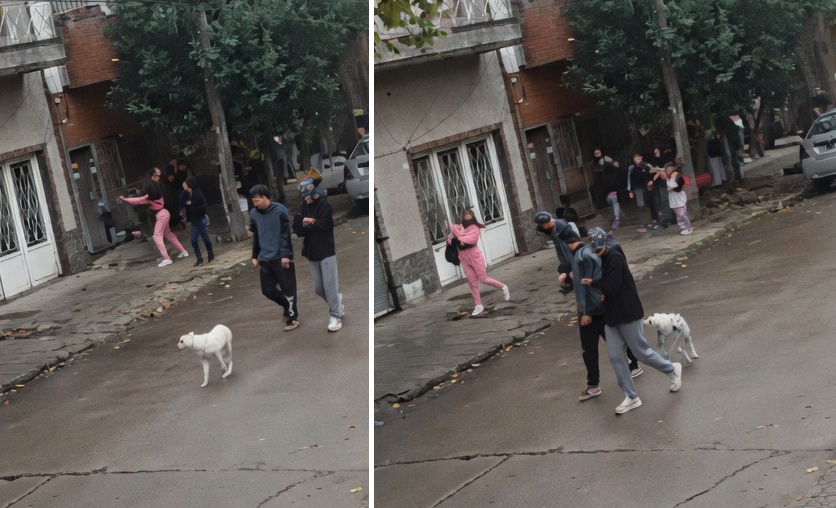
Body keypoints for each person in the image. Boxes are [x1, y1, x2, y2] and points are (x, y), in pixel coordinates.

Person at [581, 231, 683, 415]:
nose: (597, 252)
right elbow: (608, 287)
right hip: (611, 316)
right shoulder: (602, 258)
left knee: (640, 353)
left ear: (606, 243)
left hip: (628, 313)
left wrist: (594, 284)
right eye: (594, 249)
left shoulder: (615, 257)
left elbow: (611, 287)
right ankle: (631, 396)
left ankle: (672, 369)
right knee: (615, 356)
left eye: (599, 248)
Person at [559, 228, 641, 402]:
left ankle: (601, 384)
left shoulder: (584, 257)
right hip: (598, 308)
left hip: (594, 310)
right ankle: (604, 380)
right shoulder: (585, 254)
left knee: (599, 349)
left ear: (569, 244)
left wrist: (586, 312)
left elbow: (588, 286)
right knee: (613, 347)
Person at [292, 178, 344, 332]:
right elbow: (298, 229)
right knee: (318, 288)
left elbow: (328, 224)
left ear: (314, 193)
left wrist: (314, 222)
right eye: (304, 196)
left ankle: (335, 316)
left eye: (309, 195)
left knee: (329, 286)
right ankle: (337, 301)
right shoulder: (303, 207)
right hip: (311, 252)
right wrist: (302, 223)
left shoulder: (324, 204)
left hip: (326, 250)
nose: (307, 198)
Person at [249, 184, 299, 331]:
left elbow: (286, 235)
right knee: (267, 290)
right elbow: (256, 235)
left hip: (280, 256)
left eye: (257, 200)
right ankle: (286, 305)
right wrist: (255, 255)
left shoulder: (279, 211)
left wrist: (286, 255)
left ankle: (292, 318)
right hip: (264, 257)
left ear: (265, 197)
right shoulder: (254, 213)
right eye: (253, 201)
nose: (255, 203)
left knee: (288, 288)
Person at [120, 167, 189, 268]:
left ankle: (166, 258)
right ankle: (183, 251)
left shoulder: (150, 195)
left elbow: (138, 200)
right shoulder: (158, 193)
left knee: (157, 236)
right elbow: (139, 200)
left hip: (161, 215)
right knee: (169, 234)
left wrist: (124, 199)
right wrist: (127, 199)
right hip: (165, 213)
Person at [448, 208, 509, 316]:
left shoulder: (474, 228)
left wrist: (458, 235)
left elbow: (470, 239)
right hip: (463, 257)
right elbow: (453, 237)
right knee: (472, 283)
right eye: (465, 214)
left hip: (475, 256)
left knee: (483, 279)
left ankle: (503, 286)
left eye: (468, 214)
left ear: (472, 217)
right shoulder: (460, 228)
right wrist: (450, 239)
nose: (466, 215)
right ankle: (478, 305)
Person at [534, 211, 577, 294]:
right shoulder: (551, 226)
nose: (540, 226)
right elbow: (540, 229)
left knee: (569, 262)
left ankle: (573, 282)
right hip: (559, 245)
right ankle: (569, 283)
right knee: (564, 263)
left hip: (566, 244)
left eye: (541, 224)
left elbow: (573, 239)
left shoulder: (561, 226)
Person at [179, 176, 215, 267]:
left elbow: (204, 205)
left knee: (205, 238)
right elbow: (181, 201)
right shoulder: (185, 194)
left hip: (200, 218)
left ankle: (210, 254)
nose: (185, 186)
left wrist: (192, 204)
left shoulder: (198, 193)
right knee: (193, 239)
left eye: (186, 184)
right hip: (193, 221)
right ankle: (199, 258)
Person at [627, 154, 661, 230]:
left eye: (638, 159)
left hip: (649, 187)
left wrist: (652, 181)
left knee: (653, 203)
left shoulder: (647, 166)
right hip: (639, 188)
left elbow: (654, 174)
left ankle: (655, 220)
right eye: (635, 160)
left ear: (641, 158)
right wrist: (630, 190)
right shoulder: (633, 168)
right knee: (643, 204)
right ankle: (649, 221)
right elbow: (631, 180)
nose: (637, 161)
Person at [661, 162, 693, 235]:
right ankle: (685, 227)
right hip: (675, 200)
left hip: (679, 200)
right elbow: (669, 187)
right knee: (680, 215)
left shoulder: (678, 178)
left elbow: (674, 187)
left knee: (682, 214)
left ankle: (688, 228)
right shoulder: (668, 179)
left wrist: (672, 178)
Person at [601, 153, 625, 229]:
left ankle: (617, 218)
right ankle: (618, 216)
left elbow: (604, 185)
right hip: (613, 192)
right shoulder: (614, 171)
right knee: (615, 203)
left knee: (614, 203)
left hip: (610, 193)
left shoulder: (604, 173)